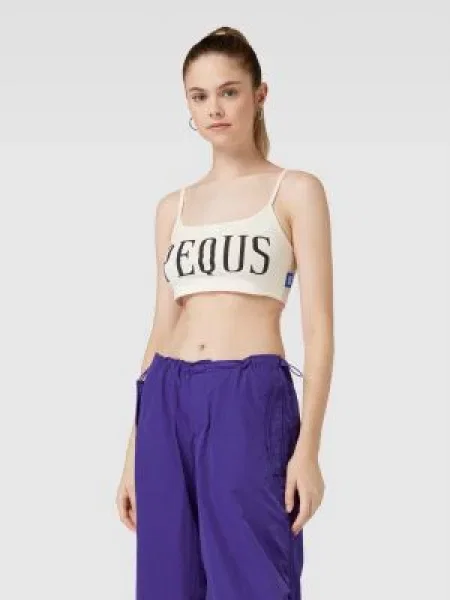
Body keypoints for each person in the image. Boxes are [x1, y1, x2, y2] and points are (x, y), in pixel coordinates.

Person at [116, 25, 334, 600]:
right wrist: (132, 453)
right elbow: (161, 327)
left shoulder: (295, 191)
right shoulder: (173, 207)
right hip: (166, 397)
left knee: (253, 578)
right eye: (199, 96)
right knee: (167, 582)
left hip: (249, 396)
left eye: (229, 92)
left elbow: (319, 331)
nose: (214, 108)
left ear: (259, 95)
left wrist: (308, 450)